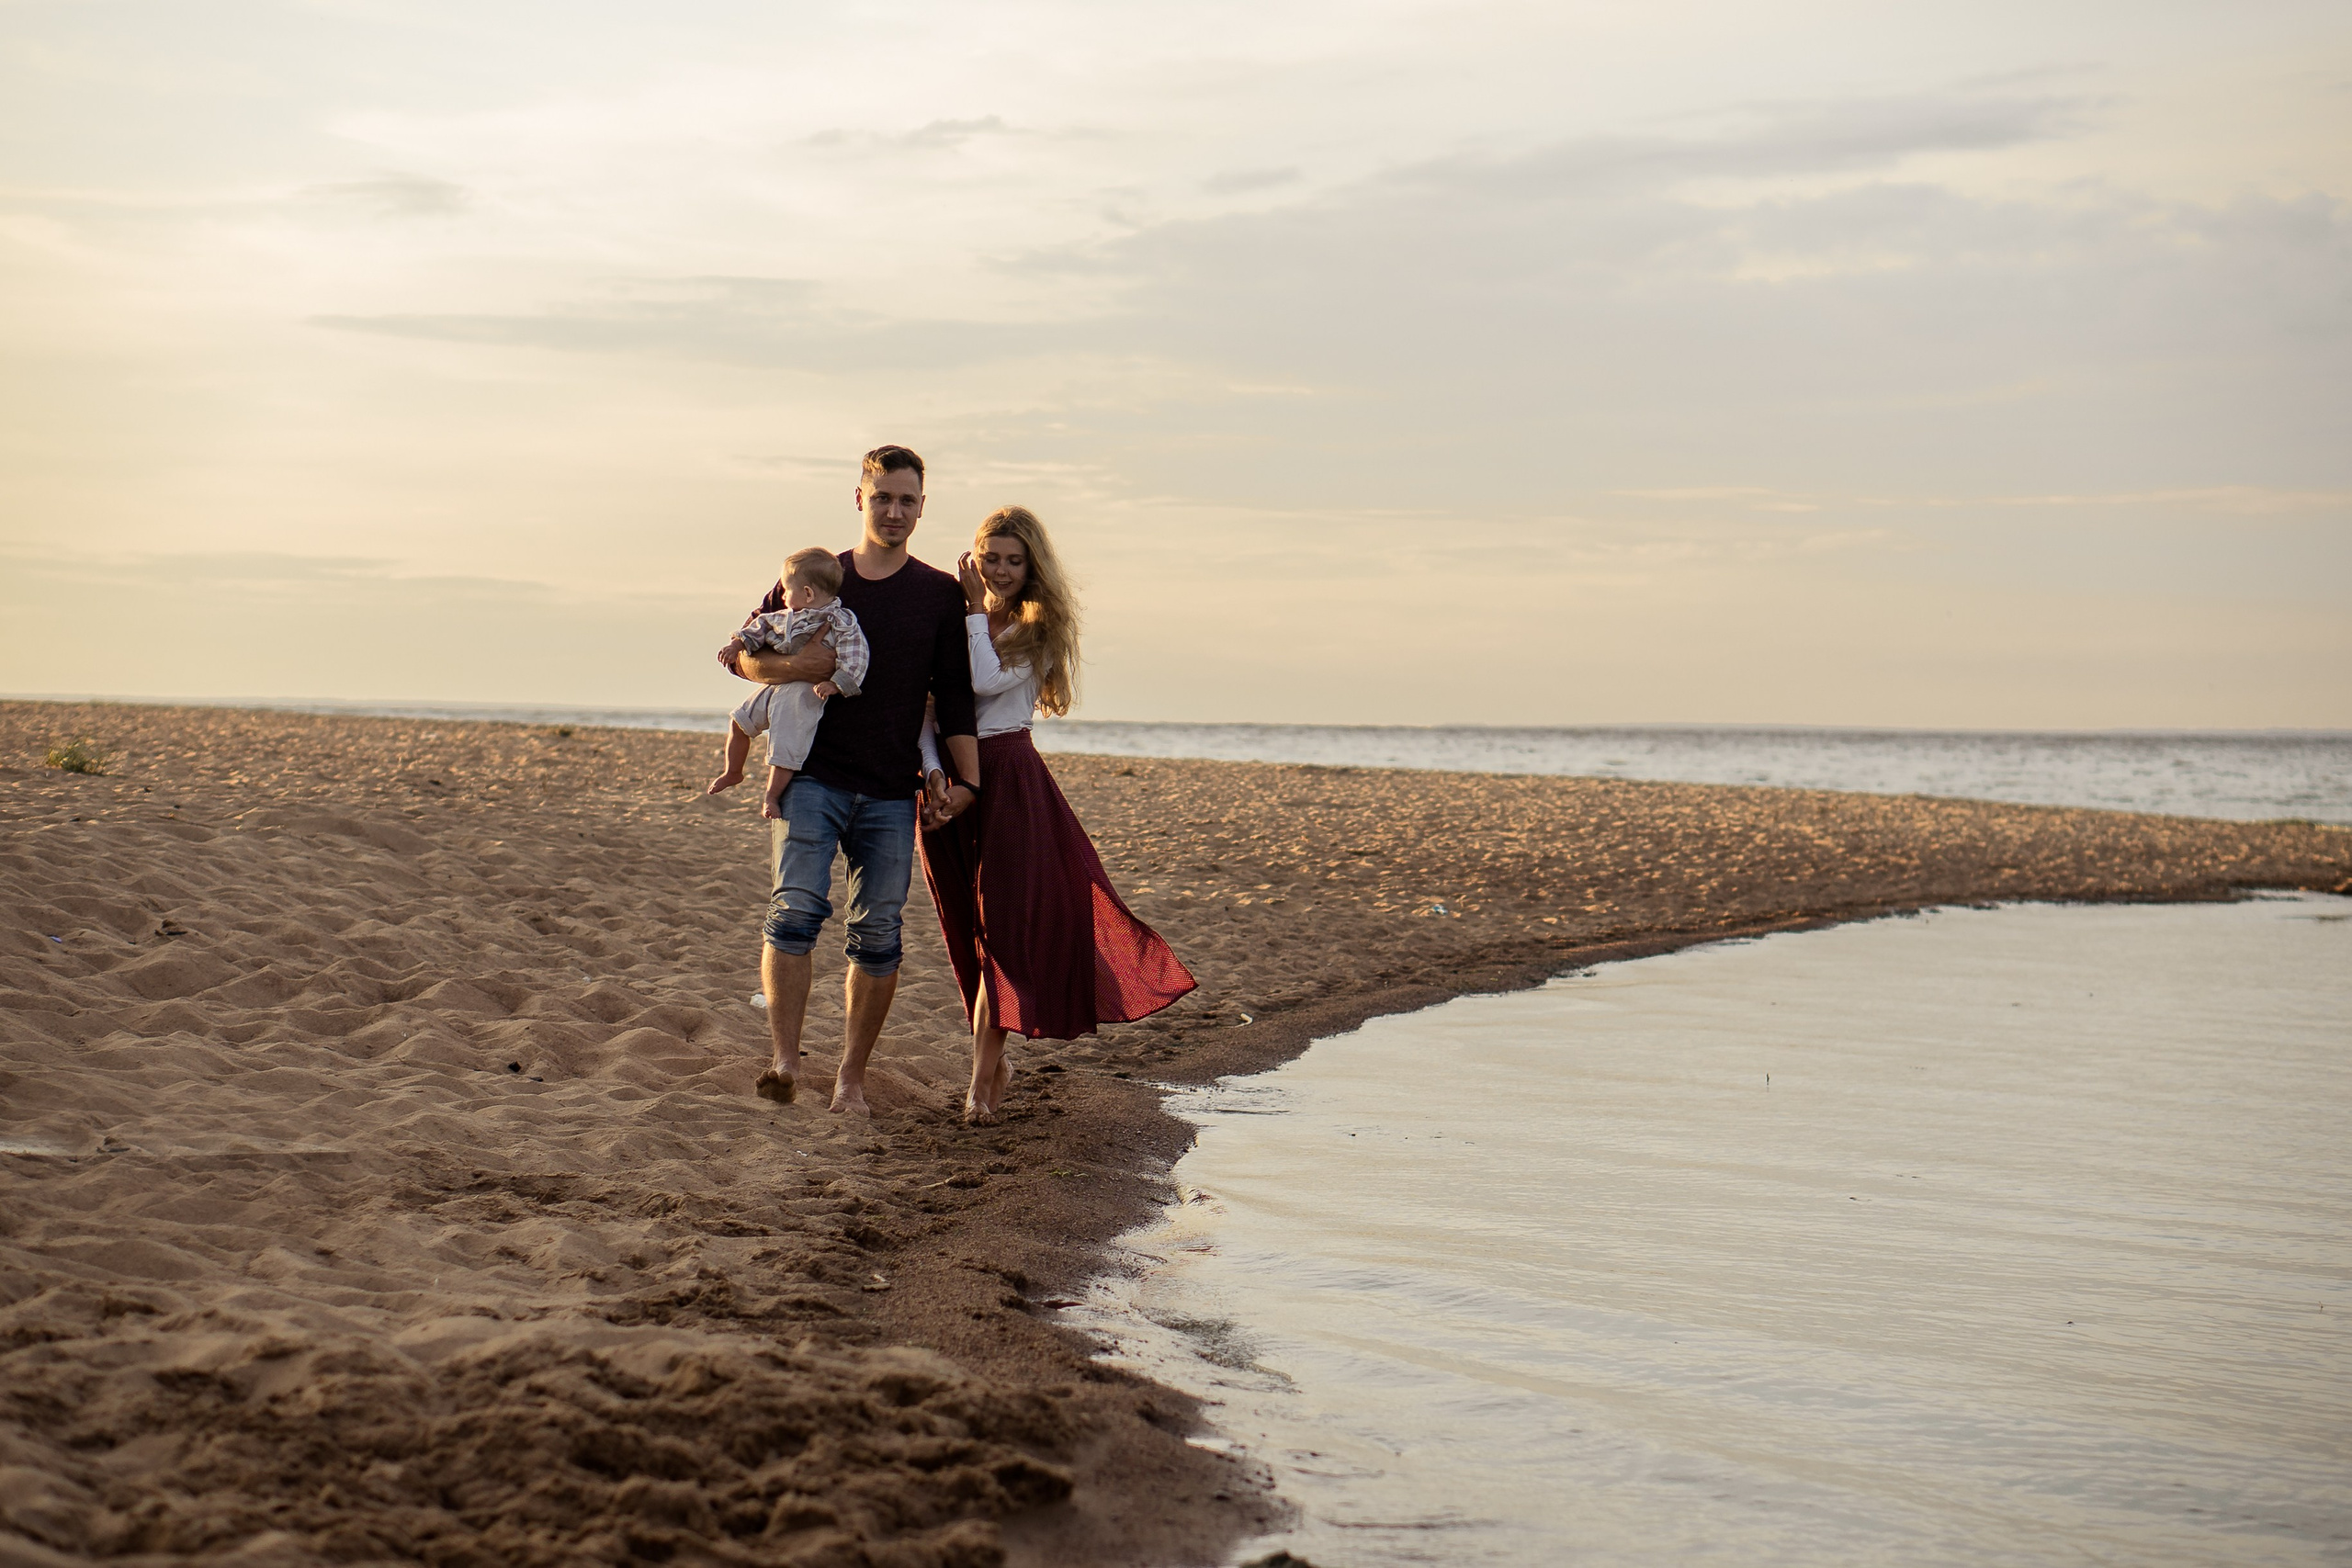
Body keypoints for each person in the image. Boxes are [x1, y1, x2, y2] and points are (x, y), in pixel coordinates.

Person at [721, 446, 981, 1115]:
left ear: (922, 507)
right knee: (795, 913)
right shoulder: (816, 577)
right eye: (883, 497)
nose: (894, 511)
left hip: (892, 791)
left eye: (908, 500)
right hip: (811, 777)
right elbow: (746, 653)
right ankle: (783, 1061)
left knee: (878, 936)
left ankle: (850, 1079)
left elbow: (953, 696)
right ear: (859, 498)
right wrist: (797, 668)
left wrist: (965, 783)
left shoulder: (937, 595)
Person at [917, 505, 1196, 1123]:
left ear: (1033, 565)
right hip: (946, 785)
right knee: (968, 931)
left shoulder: (1036, 626)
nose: (1001, 569)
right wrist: (934, 774)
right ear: (974, 554)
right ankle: (995, 1061)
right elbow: (927, 711)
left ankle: (980, 1081)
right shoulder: (955, 618)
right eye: (991, 557)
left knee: (1006, 932)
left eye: (1014, 560)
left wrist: (968, 612)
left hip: (1011, 780)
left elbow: (983, 682)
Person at [707, 547, 870, 819]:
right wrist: (736, 645)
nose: (782, 596)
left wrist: (837, 683)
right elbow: (758, 628)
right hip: (778, 684)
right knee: (739, 721)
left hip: (804, 692)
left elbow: (857, 655)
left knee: (786, 743)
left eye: (786, 590)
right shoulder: (784, 616)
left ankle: (771, 796)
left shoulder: (841, 621)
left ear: (807, 593)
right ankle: (733, 771)